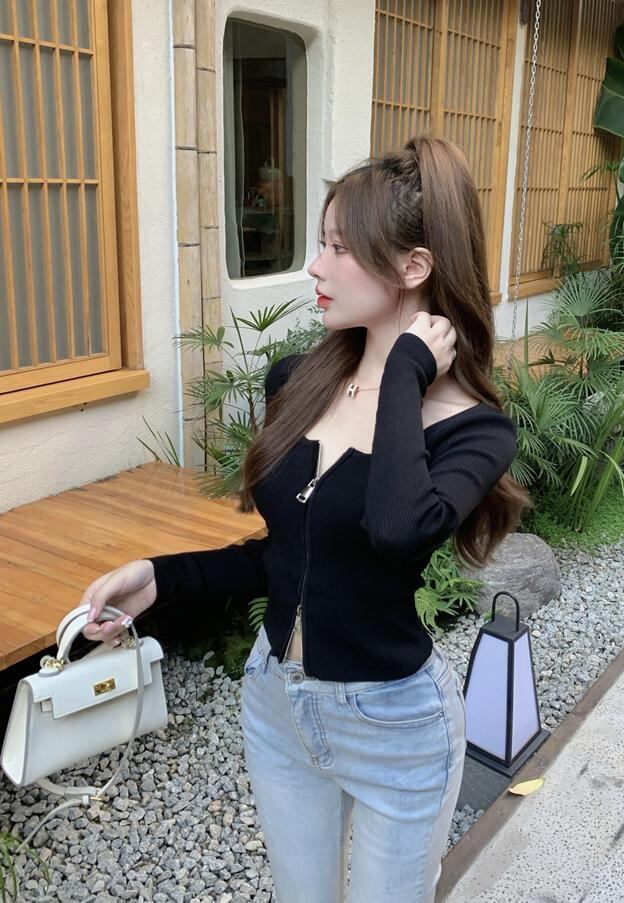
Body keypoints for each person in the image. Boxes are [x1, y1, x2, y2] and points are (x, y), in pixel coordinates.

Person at [80, 132, 528, 903]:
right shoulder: (296, 380)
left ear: (414, 267)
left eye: (339, 248)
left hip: (395, 729)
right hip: (277, 706)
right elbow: (284, 553)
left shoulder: (475, 431)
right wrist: (159, 579)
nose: (314, 267)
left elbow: (396, 528)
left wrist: (405, 371)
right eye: (321, 243)